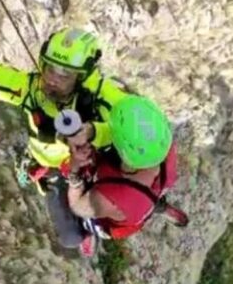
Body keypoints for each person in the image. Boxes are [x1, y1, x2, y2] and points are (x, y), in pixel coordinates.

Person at [0, 27, 131, 247]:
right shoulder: (30, 89)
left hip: (91, 167)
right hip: (53, 169)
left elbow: (130, 127)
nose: (52, 79)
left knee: (111, 217)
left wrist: (95, 132)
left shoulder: (103, 97)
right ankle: (81, 225)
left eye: (65, 74)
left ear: (82, 77)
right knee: (71, 238)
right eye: (50, 68)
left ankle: (90, 225)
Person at [58, 95, 189, 257]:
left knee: (87, 219)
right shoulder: (160, 144)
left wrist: (75, 171)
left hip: (118, 217)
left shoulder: (111, 199)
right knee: (148, 199)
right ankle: (159, 206)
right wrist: (92, 132)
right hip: (145, 197)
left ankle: (89, 232)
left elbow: (77, 205)